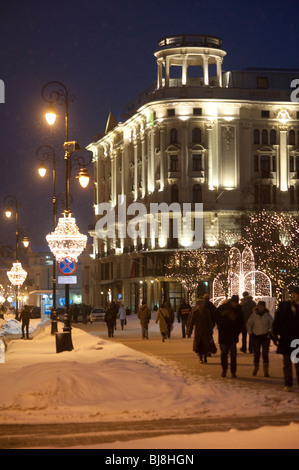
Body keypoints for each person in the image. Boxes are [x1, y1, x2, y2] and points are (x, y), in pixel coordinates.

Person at [272, 286, 299, 392]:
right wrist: (275, 333)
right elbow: (277, 319)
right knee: (287, 362)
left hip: (296, 339)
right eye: (293, 294)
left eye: (296, 294)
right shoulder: (284, 306)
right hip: (286, 338)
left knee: (297, 362)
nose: (294, 296)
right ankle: (288, 383)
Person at [215, 295, 244, 378]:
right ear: (231, 302)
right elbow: (216, 315)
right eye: (234, 302)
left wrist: (238, 331)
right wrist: (220, 324)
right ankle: (224, 370)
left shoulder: (239, 309)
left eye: (236, 302)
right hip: (224, 334)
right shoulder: (223, 307)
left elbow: (241, 322)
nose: (235, 304)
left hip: (232, 335)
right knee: (224, 353)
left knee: (233, 355)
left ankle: (233, 371)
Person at [246, 301, 273, 377]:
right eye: (259, 306)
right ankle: (256, 368)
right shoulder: (253, 315)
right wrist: (251, 333)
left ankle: (266, 370)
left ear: (264, 307)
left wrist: (269, 332)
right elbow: (249, 324)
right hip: (256, 336)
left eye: (261, 306)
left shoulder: (267, 315)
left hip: (265, 337)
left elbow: (272, 325)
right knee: (257, 353)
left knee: (265, 354)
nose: (260, 307)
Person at [188, 298, 214, 364]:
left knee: (205, 345)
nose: (200, 306)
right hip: (198, 331)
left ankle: (205, 357)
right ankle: (200, 358)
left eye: (201, 304)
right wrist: (189, 332)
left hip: (206, 330)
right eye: (199, 304)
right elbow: (191, 322)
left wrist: (211, 330)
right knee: (199, 345)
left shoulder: (206, 311)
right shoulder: (195, 312)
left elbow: (209, 321)